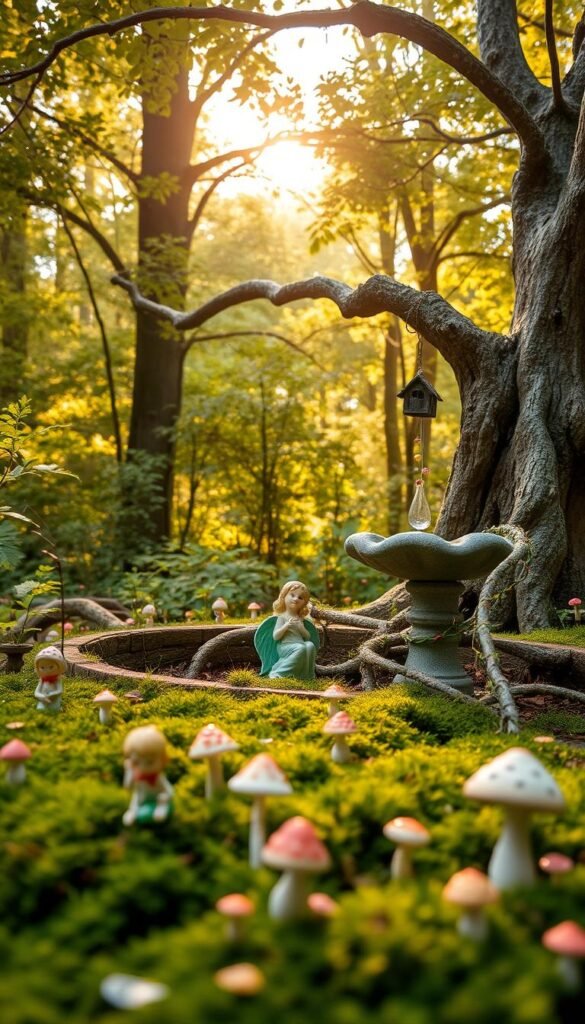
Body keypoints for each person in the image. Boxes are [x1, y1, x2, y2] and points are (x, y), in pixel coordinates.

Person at [254, 581, 319, 681]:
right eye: (292, 595)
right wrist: (286, 626)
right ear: (284, 596)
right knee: (300, 648)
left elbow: (307, 637)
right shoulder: (282, 618)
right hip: (284, 646)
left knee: (310, 645)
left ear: (304, 603)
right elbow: (276, 636)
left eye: (300, 597)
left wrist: (301, 627)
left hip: (299, 644)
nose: (296, 599)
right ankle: (279, 673)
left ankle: (306, 675)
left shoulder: (301, 619)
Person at [122, 725, 173, 825]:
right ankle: (133, 812)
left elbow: (169, 791)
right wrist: (129, 772)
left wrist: (164, 798)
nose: (143, 767)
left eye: (150, 762)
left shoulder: (158, 778)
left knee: (161, 810)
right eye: (136, 762)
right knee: (136, 800)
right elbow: (128, 787)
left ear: (163, 759)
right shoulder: (137, 777)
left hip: (158, 803)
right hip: (141, 803)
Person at [34, 645, 66, 712]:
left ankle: (58, 708)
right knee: (40, 709)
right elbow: (37, 692)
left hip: (54, 700)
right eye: (42, 668)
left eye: (51, 667)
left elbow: (59, 690)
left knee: (53, 709)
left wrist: (53, 695)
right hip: (44, 700)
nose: (47, 671)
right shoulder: (42, 680)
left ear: (59, 666)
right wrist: (41, 697)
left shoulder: (57, 680)